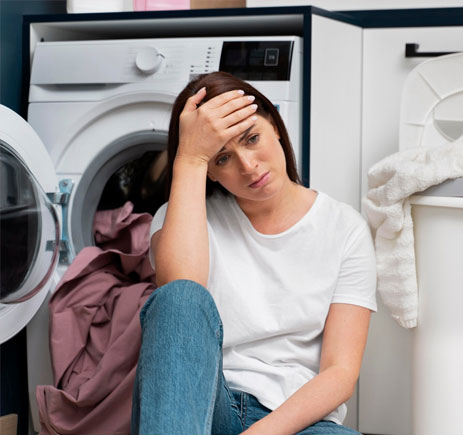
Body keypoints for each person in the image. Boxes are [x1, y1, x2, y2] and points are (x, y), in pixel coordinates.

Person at [130, 71, 377, 435]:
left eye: (252, 138)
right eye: (222, 158)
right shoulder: (183, 216)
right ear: (210, 171)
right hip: (198, 407)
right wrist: (190, 158)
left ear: (275, 124)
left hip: (292, 420)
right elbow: (179, 295)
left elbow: (340, 373)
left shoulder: (345, 227)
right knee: (180, 297)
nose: (248, 166)